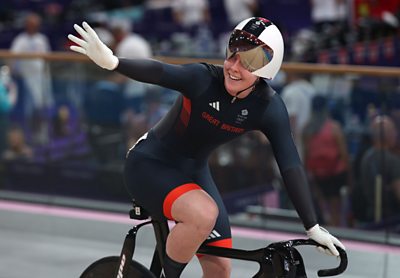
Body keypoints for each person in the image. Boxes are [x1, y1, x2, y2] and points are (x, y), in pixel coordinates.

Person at [68, 17, 345, 278]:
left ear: (266, 71)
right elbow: (160, 71)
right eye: (232, 54)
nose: (234, 66)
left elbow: (290, 163)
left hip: (193, 173)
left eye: (248, 61)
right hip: (150, 165)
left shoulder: (269, 108)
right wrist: (114, 62)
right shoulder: (203, 78)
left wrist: (312, 226)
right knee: (204, 213)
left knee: (220, 271)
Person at [303, 95, 350, 226]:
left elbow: (305, 155)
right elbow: (344, 154)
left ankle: (325, 231)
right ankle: (336, 234)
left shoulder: (307, 129)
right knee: (336, 207)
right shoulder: (334, 127)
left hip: (317, 174)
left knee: (322, 207)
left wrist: (308, 174)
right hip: (335, 173)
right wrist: (349, 176)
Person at [356, 115, 400, 224]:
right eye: (394, 131)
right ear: (388, 135)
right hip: (391, 220)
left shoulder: (366, 157)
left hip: (370, 214)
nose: (397, 134)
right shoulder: (391, 161)